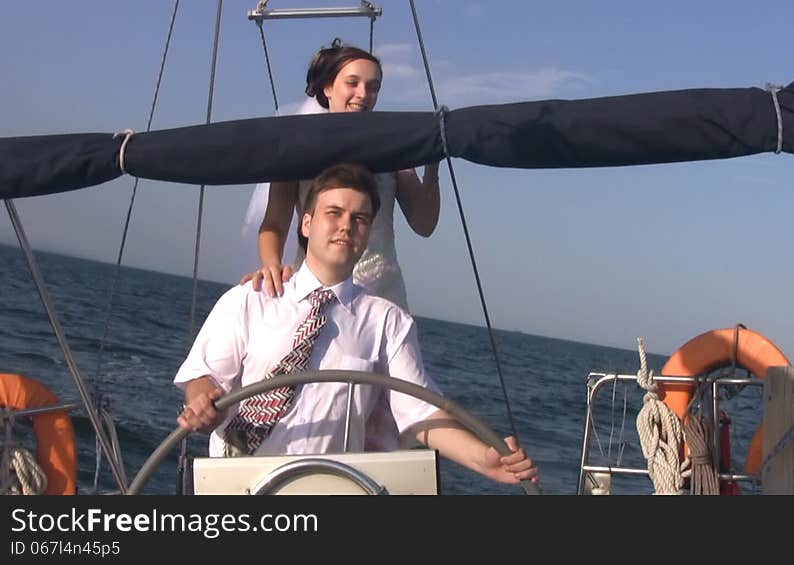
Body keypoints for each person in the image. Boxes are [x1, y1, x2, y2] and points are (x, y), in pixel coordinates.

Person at [177, 163, 538, 487]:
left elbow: (419, 412)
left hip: (333, 486)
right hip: (237, 486)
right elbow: (204, 377)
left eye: (360, 219)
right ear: (306, 222)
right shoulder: (249, 299)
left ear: (367, 233)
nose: (346, 226)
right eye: (334, 213)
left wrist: (484, 460)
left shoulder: (388, 322)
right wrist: (203, 403)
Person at [241, 39, 440, 311]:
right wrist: (272, 265)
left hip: (380, 295)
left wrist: (432, 163)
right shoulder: (296, 148)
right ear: (328, 88)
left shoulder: (392, 150)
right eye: (353, 83)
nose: (363, 94)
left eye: (373, 88)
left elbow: (424, 223)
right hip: (314, 285)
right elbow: (274, 224)